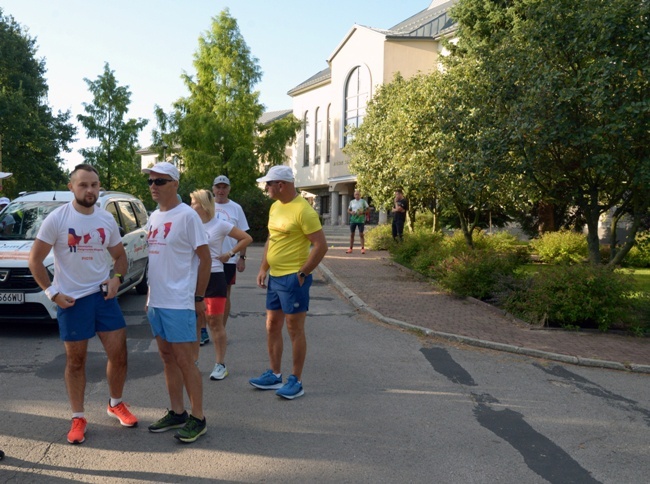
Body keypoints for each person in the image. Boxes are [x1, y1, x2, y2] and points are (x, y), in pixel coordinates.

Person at [28, 164, 138, 445]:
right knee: (76, 362)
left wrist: (116, 278)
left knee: (119, 354)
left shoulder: (105, 219)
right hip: (72, 300)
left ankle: (115, 403)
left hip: (103, 297)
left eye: (94, 184)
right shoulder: (57, 219)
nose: (90, 190)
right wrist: (52, 293)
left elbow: (120, 257)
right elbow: (35, 261)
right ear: (71, 187)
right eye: (83, 185)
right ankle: (78, 417)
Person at [143, 162, 211, 444]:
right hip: (156, 301)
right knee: (167, 358)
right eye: (150, 182)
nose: (153, 187)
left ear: (175, 184)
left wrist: (198, 298)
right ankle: (177, 411)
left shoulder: (187, 216)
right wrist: (148, 298)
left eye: (160, 181)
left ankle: (199, 417)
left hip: (180, 301)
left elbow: (205, 259)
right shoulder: (153, 217)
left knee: (186, 360)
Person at [250, 165, 328, 400]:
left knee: (294, 329)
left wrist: (303, 273)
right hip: (275, 277)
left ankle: (296, 380)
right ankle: (275, 375)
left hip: (294, 279)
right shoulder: (275, 207)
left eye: (269, 184)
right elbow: (271, 240)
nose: (266, 188)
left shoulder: (304, 211)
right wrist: (264, 266)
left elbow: (320, 245)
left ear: (281, 185)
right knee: (272, 325)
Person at [190, 189, 252, 381]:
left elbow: (246, 238)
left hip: (215, 277)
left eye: (194, 202)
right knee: (195, 324)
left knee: (214, 323)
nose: (191, 206)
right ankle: (193, 362)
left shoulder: (219, 225)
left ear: (203, 205)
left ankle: (220, 364)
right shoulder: (190, 225)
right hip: (193, 279)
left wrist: (230, 253)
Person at [211, 175, 250, 343]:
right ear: (213, 189)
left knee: (224, 294)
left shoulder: (236, 208)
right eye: (218, 187)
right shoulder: (206, 205)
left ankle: (222, 329)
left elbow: (244, 235)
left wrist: (242, 257)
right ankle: (204, 329)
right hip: (206, 258)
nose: (221, 191)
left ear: (229, 189)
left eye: (224, 187)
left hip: (228, 259)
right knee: (201, 294)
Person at [346, 190, 369, 254]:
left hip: (361, 220)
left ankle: (362, 248)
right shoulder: (352, 202)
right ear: (354, 195)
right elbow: (348, 210)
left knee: (361, 234)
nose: (357, 196)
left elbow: (368, 209)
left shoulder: (363, 202)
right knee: (352, 234)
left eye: (358, 194)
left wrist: (363, 212)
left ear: (360, 195)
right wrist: (351, 212)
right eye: (356, 194)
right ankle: (350, 248)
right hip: (353, 220)